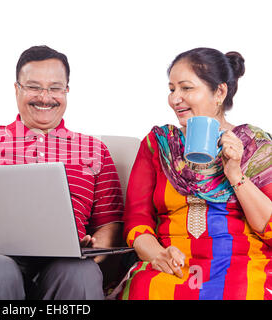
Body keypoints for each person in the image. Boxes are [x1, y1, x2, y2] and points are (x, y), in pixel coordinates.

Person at [0, 45, 124, 300]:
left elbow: (109, 223)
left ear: (67, 91)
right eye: (34, 87)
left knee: (81, 273)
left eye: (55, 88)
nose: (45, 97)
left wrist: (94, 249)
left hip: (65, 261)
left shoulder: (95, 149)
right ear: (17, 89)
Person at [110, 47, 272, 300]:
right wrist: (158, 255)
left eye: (186, 88)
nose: (175, 99)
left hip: (241, 263)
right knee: (146, 290)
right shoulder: (158, 144)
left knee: (242, 292)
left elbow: (268, 225)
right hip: (172, 261)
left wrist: (234, 173)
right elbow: (137, 220)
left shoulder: (254, 146)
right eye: (172, 89)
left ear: (219, 92)